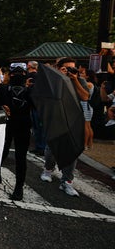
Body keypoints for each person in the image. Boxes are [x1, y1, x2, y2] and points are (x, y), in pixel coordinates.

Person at [40, 57, 89, 197]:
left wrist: (74, 80)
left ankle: (67, 182)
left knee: (72, 152)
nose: (70, 71)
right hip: (56, 120)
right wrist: (60, 77)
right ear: (59, 68)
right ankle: (48, 169)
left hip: (74, 121)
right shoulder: (54, 79)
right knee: (51, 149)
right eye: (66, 68)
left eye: (72, 68)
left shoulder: (80, 81)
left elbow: (85, 97)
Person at [0, 63, 33, 200]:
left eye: (21, 73)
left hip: (21, 126)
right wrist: (2, 106)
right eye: (15, 74)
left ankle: (19, 187)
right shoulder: (3, 89)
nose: (18, 76)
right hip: (7, 125)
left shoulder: (30, 92)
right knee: (3, 151)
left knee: (20, 157)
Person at [26, 61, 46, 156]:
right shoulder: (40, 76)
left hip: (35, 105)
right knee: (38, 128)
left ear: (30, 66)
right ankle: (40, 147)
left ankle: (41, 147)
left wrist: (28, 86)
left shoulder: (31, 76)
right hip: (38, 105)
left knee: (38, 128)